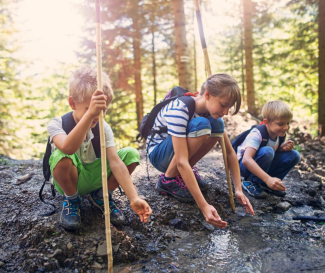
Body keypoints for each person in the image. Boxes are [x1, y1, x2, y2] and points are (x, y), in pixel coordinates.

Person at [47, 66, 152, 231]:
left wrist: (133, 198)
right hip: (70, 179)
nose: (97, 115)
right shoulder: (57, 123)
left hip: (95, 178)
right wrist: (89, 116)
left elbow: (116, 163)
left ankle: (101, 196)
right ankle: (72, 200)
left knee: (130, 155)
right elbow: (67, 148)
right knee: (61, 157)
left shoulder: (103, 128)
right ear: (72, 103)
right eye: (89, 109)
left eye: (101, 110)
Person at [146, 73, 254, 229]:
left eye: (228, 108)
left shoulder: (211, 112)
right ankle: (168, 180)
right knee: (201, 125)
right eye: (223, 104)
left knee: (216, 124)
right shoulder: (180, 109)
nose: (225, 112)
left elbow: (230, 153)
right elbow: (182, 161)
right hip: (159, 153)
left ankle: (183, 177)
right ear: (208, 95)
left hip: (178, 155)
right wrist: (204, 206)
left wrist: (238, 189)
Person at [237, 100, 301, 199]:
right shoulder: (257, 134)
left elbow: (270, 155)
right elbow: (246, 159)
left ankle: (269, 184)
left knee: (294, 155)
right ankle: (250, 182)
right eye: (280, 124)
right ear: (267, 122)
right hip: (243, 166)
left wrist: (281, 150)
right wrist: (267, 178)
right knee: (268, 151)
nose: (286, 127)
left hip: (260, 164)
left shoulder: (280, 135)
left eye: (288, 123)